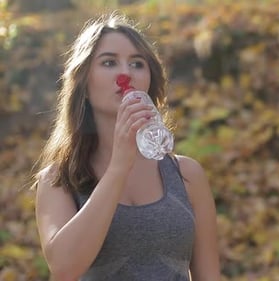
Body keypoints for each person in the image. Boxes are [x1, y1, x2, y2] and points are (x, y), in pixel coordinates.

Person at [33, 12, 221, 281]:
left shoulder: (187, 174)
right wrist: (119, 167)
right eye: (109, 62)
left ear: (149, 80)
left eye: (137, 63)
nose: (125, 73)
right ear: (84, 85)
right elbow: (64, 268)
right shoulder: (57, 180)